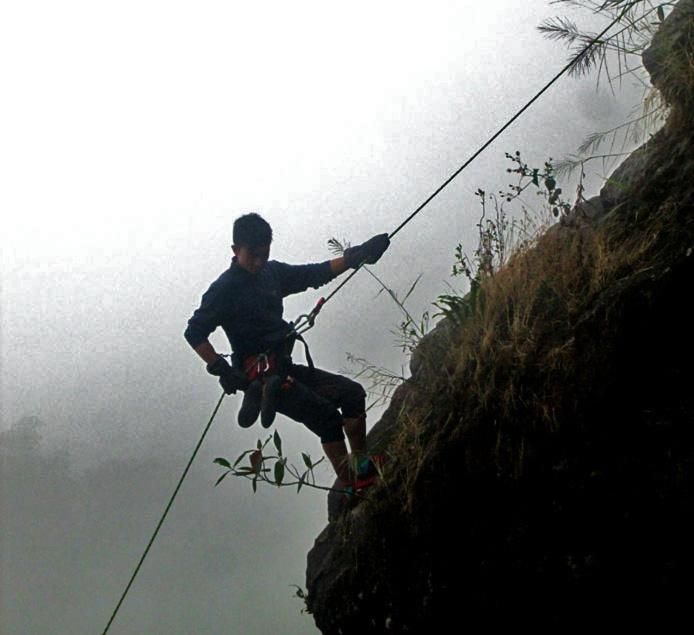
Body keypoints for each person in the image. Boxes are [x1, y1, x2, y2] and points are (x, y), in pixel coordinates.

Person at [183, 212, 390, 494]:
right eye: (251, 256)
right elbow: (194, 332)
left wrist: (356, 257)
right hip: (260, 375)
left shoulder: (272, 273)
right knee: (327, 418)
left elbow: (314, 274)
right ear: (235, 250)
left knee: (352, 394)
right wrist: (222, 369)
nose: (258, 262)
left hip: (283, 366)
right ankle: (353, 484)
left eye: (263, 255)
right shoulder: (223, 289)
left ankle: (362, 465)